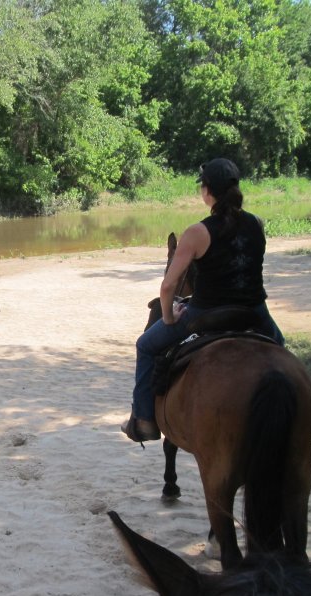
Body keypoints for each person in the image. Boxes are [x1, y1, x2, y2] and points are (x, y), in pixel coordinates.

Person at [121, 157, 285, 443]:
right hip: (254, 312)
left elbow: (169, 284)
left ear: (206, 191)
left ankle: (145, 420)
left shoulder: (198, 232)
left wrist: (170, 316)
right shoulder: (256, 224)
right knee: (280, 349)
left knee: (145, 346)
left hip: (206, 313)